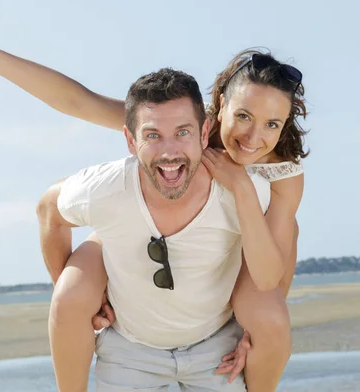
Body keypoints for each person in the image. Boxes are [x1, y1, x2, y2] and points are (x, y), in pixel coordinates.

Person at [0, 22, 308, 392]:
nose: (253, 137)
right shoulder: (174, 126)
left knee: (272, 304)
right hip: (135, 228)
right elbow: (76, 101)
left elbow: (282, 254)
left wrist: (254, 330)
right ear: (216, 111)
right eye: (242, 116)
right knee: (74, 291)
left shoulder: (281, 170)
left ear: (285, 123)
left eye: (273, 124)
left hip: (238, 246)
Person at [37, 67, 271, 391]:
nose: (169, 152)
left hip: (217, 349)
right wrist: (87, 299)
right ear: (131, 141)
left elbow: (275, 258)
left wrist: (254, 332)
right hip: (130, 352)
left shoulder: (245, 191)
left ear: (204, 133)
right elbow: (48, 210)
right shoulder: (107, 188)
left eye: (183, 133)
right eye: (152, 135)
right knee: (70, 292)